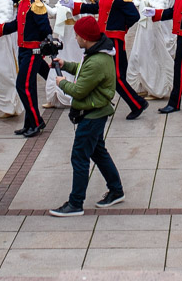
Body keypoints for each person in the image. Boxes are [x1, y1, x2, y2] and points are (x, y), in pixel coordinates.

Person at [48, 16, 125, 217]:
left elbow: (79, 90)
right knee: (98, 152)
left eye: (77, 35)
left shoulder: (97, 60)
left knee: (79, 157)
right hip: (96, 112)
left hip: (92, 114)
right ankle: (116, 190)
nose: (75, 38)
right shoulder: (96, 53)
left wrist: (61, 82)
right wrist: (65, 64)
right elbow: (84, 71)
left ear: (85, 37)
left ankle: (76, 203)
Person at [64, 0, 147, 118]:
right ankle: (109, 104)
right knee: (111, 75)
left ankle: (137, 104)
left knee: (116, 76)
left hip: (114, 39)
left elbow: (134, 16)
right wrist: (76, 6)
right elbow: (97, 7)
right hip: (103, 38)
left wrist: (121, 29)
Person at [0, 0, 52, 137]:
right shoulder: (24, 1)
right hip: (23, 49)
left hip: (32, 51)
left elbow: (45, 30)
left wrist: (47, 50)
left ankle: (36, 122)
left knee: (22, 86)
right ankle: (30, 122)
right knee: (28, 87)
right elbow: (17, 24)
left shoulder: (36, 5)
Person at [127, 0, 173, 100]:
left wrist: (150, 7)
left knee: (151, 56)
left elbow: (161, 8)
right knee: (137, 55)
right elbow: (138, 1)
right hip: (142, 27)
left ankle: (156, 88)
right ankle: (141, 85)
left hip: (152, 29)